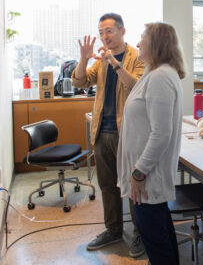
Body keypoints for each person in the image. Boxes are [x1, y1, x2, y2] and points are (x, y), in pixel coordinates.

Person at [72, 13, 146, 257]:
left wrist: (114, 62)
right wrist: (83, 60)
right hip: (102, 132)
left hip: (129, 133)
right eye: (101, 32)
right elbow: (81, 83)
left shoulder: (138, 56)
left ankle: (140, 234)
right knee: (107, 185)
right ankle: (113, 230)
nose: (104, 37)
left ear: (123, 31)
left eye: (109, 31)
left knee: (134, 186)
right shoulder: (101, 59)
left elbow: (135, 85)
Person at [118, 22, 185, 265]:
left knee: (156, 242)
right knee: (160, 235)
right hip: (147, 177)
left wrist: (138, 172)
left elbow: (161, 134)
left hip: (147, 178)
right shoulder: (154, 74)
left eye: (142, 39)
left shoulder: (160, 77)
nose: (137, 44)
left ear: (157, 44)